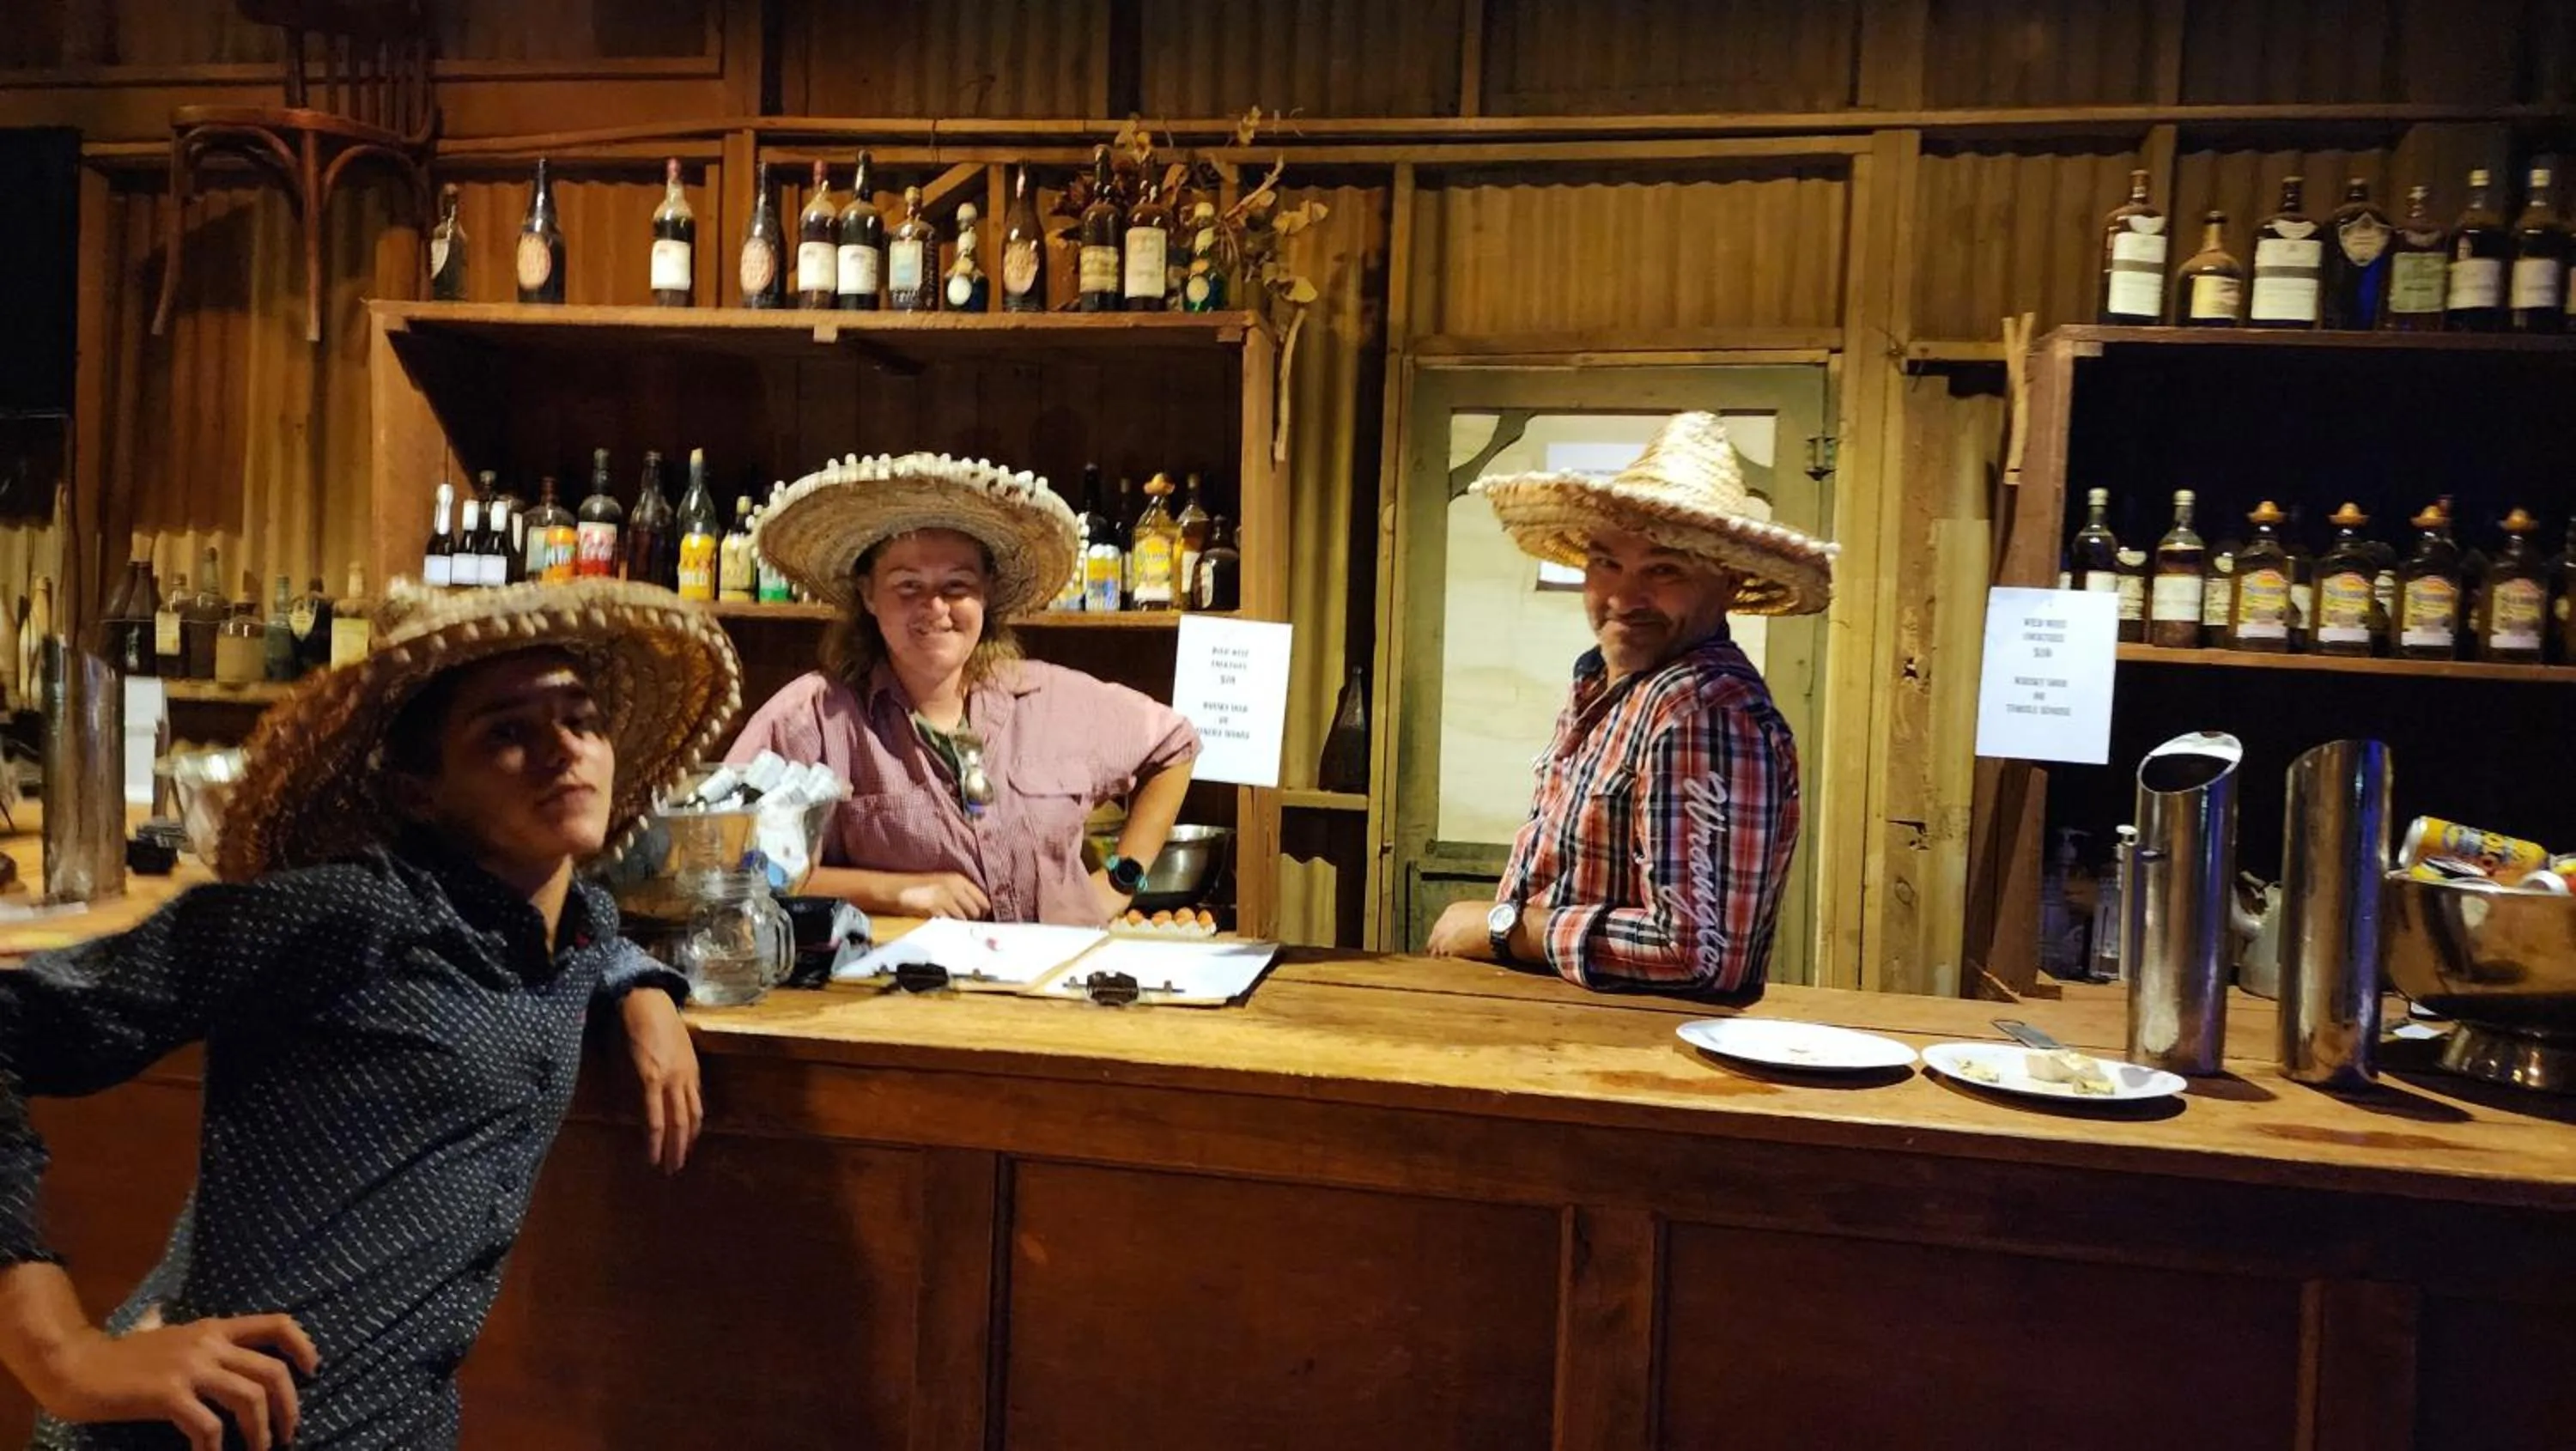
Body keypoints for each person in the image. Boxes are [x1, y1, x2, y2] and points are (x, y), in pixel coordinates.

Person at [0, 579, 742, 1450]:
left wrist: (642, 988)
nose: (564, 749)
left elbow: (594, 925)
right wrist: (62, 1354)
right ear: (418, 789)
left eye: (582, 719)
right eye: (506, 732)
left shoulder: (572, 934)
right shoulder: (347, 914)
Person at [1425, 412, 1833, 996]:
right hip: (1567, 1033)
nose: (1623, 596)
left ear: (1729, 583)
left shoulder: (1701, 712)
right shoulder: (1611, 685)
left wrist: (1507, 927)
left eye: (1664, 569)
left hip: (1635, 1045)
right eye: (1606, 562)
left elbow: (1698, 954)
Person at [732, 452, 1199, 926]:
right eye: (908, 585)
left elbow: (1174, 742)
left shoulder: (1050, 697)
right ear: (868, 593)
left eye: (957, 585)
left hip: (1064, 971)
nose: (935, 607)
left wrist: (1121, 881)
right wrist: (894, 892)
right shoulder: (812, 717)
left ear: (986, 592)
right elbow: (738, 864)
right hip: (905, 975)